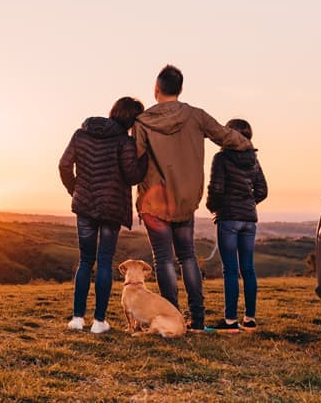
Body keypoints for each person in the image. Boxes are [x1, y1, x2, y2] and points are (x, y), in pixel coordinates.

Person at [133, 65, 251, 331]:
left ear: (156, 89)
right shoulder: (196, 116)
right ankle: (197, 320)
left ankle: (172, 316)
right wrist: (246, 145)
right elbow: (225, 135)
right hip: (186, 200)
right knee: (187, 256)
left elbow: (135, 161)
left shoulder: (142, 122)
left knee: (163, 259)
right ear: (181, 89)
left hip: (154, 202)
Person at [59, 97, 147, 334]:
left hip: (85, 206)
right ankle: (99, 322)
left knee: (85, 261)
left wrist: (76, 190)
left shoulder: (81, 134)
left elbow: (64, 165)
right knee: (105, 261)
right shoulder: (125, 142)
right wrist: (145, 159)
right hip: (111, 208)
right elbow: (131, 176)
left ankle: (77, 319)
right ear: (131, 120)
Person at [206, 118, 267, 332]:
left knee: (230, 270)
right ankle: (250, 319)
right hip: (249, 219)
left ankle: (230, 321)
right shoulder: (254, 160)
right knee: (248, 269)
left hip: (229, 218)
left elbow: (216, 188)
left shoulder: (221, 158)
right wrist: (248, 204)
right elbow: (262, 191)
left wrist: (213, 207)